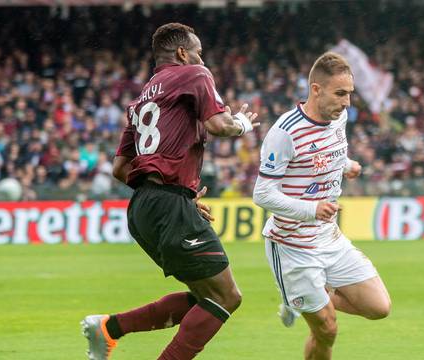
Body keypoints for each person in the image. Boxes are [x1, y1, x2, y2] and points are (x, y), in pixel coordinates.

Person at [81, 23, 258, 360]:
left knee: (206, 298)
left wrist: (168, 188)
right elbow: (219, 125)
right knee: (227, 297)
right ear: (182, 53)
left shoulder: (140, 100)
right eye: (198, 53)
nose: (201, 59)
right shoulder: (194, 74)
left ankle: (108, 328)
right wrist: (243, 124)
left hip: (142, 208)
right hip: (168, 205)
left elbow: (120, 168)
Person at [253, 52, 391, 360]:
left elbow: (330, 153)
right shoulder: (284, 132)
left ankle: (297, 300)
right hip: (292, 246)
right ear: (316, 90)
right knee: (327, 329)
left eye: (350, 95)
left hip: (328, 238)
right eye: (340, 94)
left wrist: (347, 165)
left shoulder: (338, 117)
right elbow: (262, 194)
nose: (347, 103)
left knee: (379, 307)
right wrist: (311, 210)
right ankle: (301, 297)